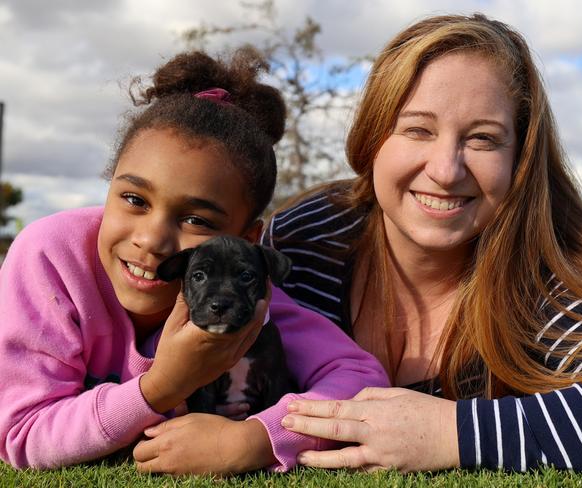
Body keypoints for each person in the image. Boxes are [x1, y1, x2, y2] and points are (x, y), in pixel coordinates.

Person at [261, 14, 582, 474]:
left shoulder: (548, 279)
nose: (446, 170)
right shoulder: (304, 241)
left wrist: (455, 432)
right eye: (418, 130)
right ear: (372, 138)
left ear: (519, 159)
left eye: (483, 139)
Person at [0, 48, 389, 474]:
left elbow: (360, 377)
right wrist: (163, 386)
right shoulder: (51, 257)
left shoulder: (244, 295)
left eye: (197, 219)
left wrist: (258, 438)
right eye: (134, 199)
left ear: (245, 241)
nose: (151, 240)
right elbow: (22, 435)